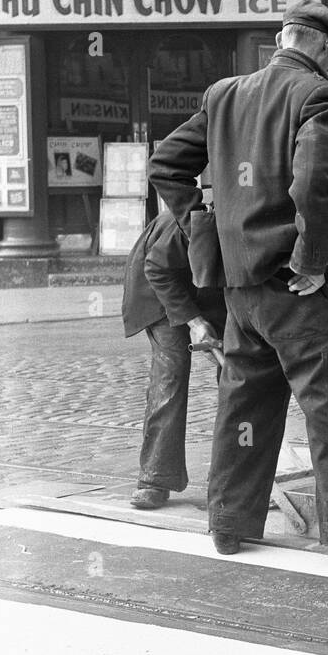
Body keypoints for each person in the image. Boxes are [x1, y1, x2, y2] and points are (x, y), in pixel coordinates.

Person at [148, 0, 328, 570]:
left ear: (284, 37)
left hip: (239, 291)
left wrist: (206, 229)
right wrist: (310, 260)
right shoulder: (317, 96)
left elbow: (165, 163)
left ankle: (229, 525)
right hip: (293, 290)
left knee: (244, 406)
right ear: (325, 48)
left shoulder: (223, 94)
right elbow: (313, 184)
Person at [121, 208, 225, 509]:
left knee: (238, 374)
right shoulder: (193, 220)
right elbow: (157, 270)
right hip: (158, 291)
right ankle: (155, 478)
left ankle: (234, 479)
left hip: (207, 291)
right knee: (172, 372)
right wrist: (195, 323)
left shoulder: (251, 221)